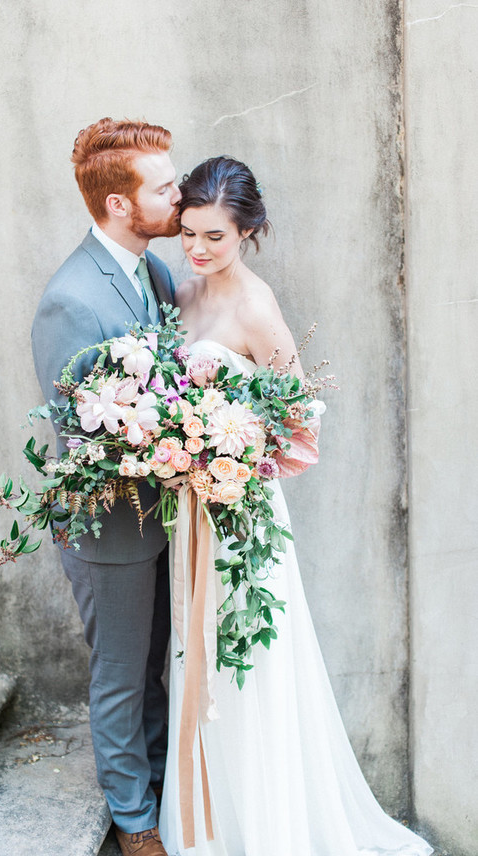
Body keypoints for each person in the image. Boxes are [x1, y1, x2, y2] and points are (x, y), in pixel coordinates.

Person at [158, 157, 433, 856]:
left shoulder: (257, 307)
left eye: (214, 235)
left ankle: (267, 829)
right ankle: (207, 822)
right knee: (197, 654)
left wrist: (231, 450)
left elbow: (298, 425)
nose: (197, 248)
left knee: (247, 657)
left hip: (241, 514)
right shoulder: (183, 295)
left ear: (249, 230)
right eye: (188, 232)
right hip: (190, 512)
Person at [31, 118, 181, 856]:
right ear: (120, 205)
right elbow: (79, 433)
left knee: (156, 666)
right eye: (163, 187)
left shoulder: (152, 273)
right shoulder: (71, 298)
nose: (178, 197)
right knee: (122, 677)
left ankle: (157, 782)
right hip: (110, 530)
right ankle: (134, 823)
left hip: (165, 516)